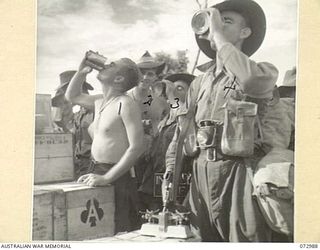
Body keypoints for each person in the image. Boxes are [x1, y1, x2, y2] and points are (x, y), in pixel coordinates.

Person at [166, 0, 279, 242]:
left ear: (245, 32)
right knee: (205, 239)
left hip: (238, 171)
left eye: (226, 21)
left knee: (246, 239)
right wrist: (170, 173)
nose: (217, 24)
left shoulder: (262, 70)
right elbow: (181, 131)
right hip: (200, 173)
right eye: (216, 20)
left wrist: (218, 34)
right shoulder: (199, 83)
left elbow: (248, 80)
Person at [65, 55, 144, 233]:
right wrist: (81, 72)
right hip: (95, 170)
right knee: (98, 229)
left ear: (118, 78)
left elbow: (137, 147)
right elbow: (72, 96)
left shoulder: (126, 104)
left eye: (111, 65)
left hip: (117, 176)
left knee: (120, 230)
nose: (105, 65)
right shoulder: (99, 101)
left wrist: (107, 178)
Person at [138, 73, 195, 211]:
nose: (174, 92)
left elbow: (183, 119)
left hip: (177, 182)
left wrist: (171, 94)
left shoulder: (190, 117)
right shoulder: (165, 119)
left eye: (180, 88)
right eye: (172, 88)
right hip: (154, 181)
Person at [51, 70, 94, 179]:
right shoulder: (78, 115)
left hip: (93, 167)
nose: (66, 97)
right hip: (79, 167)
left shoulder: (95, 111)